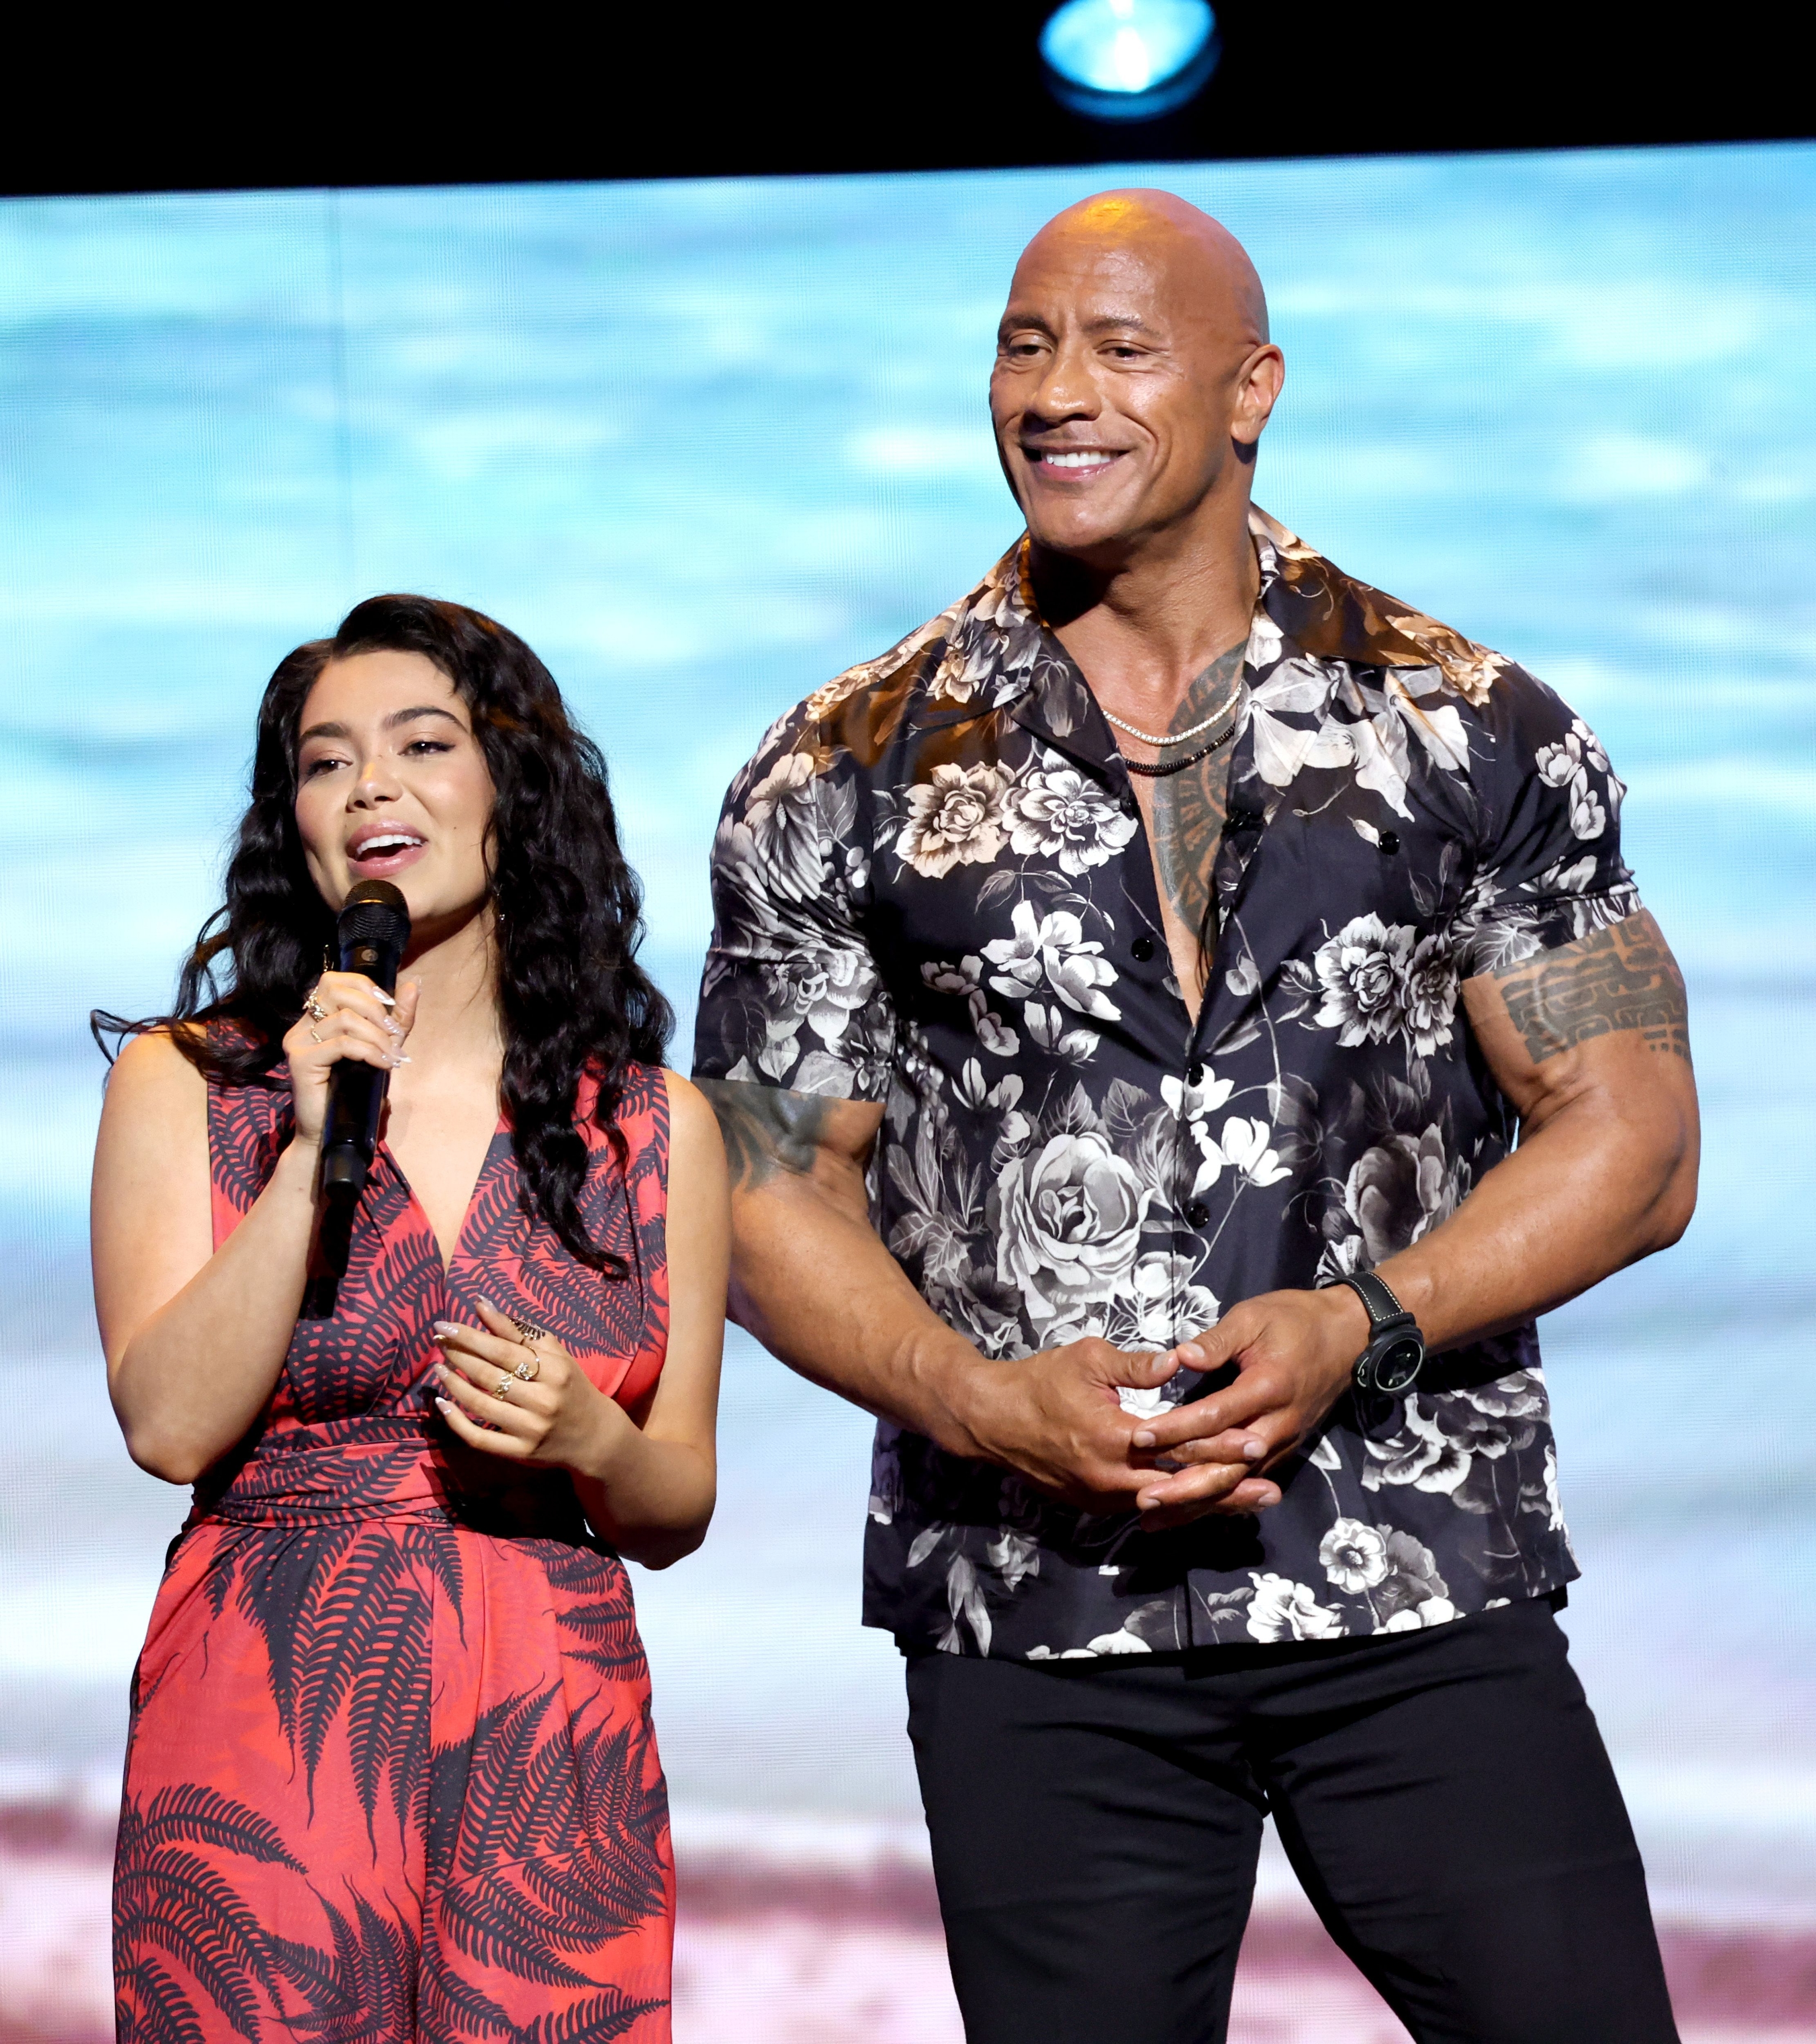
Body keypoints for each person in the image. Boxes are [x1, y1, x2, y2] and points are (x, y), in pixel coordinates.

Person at [692, 190, 1698, 2042]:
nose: (1054, 391)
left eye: (1116, 347)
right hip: (1035, 1606)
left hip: (1414, 1573)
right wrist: (976, 1398)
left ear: (1252, 391)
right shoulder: (839, 768)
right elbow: (758, 1191)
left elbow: (1632, 1136)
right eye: (1022, 342)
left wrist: (1361, 1321)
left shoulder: (1470, 727)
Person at [92, 595, 726, 2041]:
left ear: (514, 788)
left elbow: (676, 1497)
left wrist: (587, 1437)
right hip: (268, 1708)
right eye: (325, 763)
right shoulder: (191, 1085)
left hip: (550, 1709)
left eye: (421, 743)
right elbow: (171, 1420)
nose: (369, 785)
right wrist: (315, 1154)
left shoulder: (653, 1126)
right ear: (296, 827)